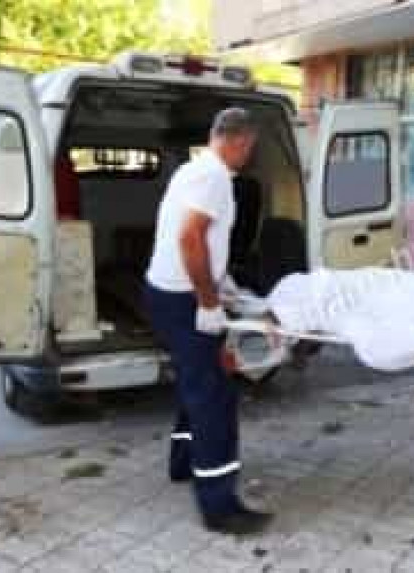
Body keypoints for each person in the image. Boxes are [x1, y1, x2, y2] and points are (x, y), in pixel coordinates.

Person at [144, 108, 272, 534]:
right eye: (250, 148)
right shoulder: (214, 177)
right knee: (215, 397)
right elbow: (189, 237)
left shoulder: (193, 170)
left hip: (166, 292)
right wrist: (208, 300)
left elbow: (192, 238)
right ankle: (219, 506)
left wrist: (223, 283)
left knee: (195, 382)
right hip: (182, 300)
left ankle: (183, 463)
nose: (249, 156)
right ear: (240, 141)